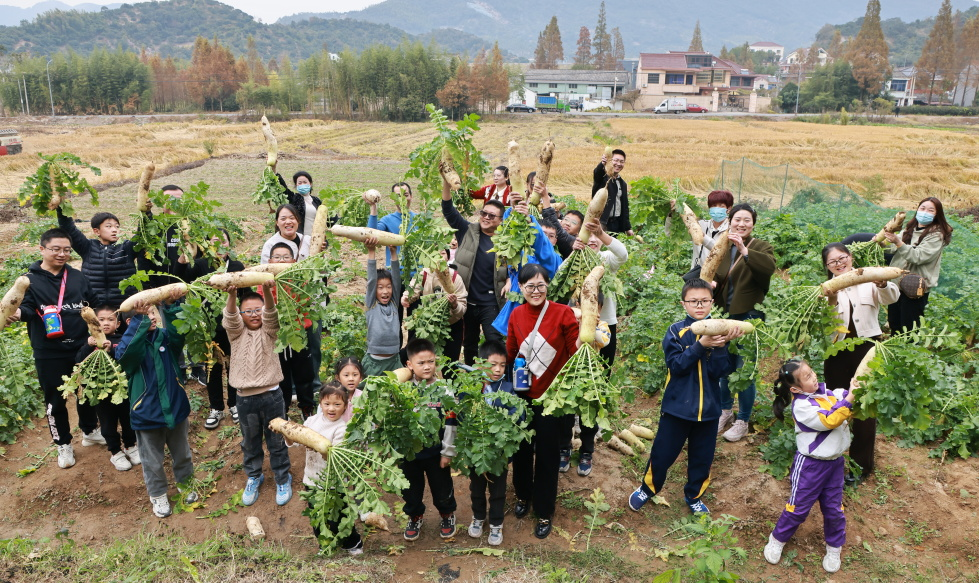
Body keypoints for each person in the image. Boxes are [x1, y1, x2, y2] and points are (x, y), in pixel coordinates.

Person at [628, 278, 742, 515]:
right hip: (677, 408)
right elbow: (676, 366)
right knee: (663, 453)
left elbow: (719, 372)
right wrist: (701, 345)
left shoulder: (721, 330)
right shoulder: (675, 331)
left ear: (712, 302)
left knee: (702, 458)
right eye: (694, 301)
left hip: (709, 410)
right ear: (684, 304)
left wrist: (721, 346)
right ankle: (648, 488)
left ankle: (694, 495)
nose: (699, 306)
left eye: (704, 301)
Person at [7, 229, 103, 469]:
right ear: (42, 249)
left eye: (67, 250)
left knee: (87, 391)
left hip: (82, 346)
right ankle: (63, 443)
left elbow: (91, 302)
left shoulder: (77, 276)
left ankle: (90, 431)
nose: (62, 254)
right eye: (56, 249)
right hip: (48, 351)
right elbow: (26, 308)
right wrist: (17, 313)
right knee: (55, 400)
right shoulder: (29, 280)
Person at [763, 358, 857, 574]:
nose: (814, 377)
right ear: (795, 388)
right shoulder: (802, 406)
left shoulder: (827, 393)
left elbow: (844, 396)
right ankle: (777, 539)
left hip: (835, 464)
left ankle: (834, 547)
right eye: (807, 377)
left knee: (834, 510)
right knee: (798, 508)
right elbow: (830, 420)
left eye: (812, 372)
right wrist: (851, 398)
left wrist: (857, 387)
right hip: (810, 467)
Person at [507, 264, 580, 539]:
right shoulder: (516, 314)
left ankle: (544, 510)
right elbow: (512, 351)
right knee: (522, 451)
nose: (535, 291)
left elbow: (575, 349)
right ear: (521, 289)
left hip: (552, 399)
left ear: (548, 285)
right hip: (524, 395)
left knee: (548, 456)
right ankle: (523, 496)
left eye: (540, 285)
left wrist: (589, 334)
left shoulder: (562, 313)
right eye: (529, 287)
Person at [115, 292, 197, 518]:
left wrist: (170, 306)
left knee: (182, 453)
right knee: (152, 461)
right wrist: (140, 323)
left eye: (153, 313)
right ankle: (158, 494)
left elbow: (179, 333)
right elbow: (124, 355)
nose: (151, 317)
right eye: (145, 314)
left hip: (176, 408)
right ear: (132, 322)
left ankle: (186, 483)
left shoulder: (165, 338)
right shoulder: (130, 346)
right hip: (146, 415)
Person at [821, 243, 898, 483]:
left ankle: (860, 466)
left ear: (851, 258)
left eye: (842, 258)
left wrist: (882, 282)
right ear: (828, 267)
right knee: (836, 401)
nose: (839, 263)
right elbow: (825, 322)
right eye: (833, 262)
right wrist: (831, 299)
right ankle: (830, 456)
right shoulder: (825, 289)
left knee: (865, 407)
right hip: (837, 351)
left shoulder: (868, 279)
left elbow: (892, 297)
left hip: (866, 349)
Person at [560, 218, 628, 476]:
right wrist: (573, 251)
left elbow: (622, 253)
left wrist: (602, 235)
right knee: (568, 385)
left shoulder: (607, 261)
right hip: (573, 328)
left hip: (603, 329)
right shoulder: (573, 258)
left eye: (596, 236)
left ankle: (587, 448)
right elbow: (557, 284)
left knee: (595, 387)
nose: (591, 239)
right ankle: (564, 446)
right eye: (587, 233)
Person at [710, 203, 777, 443]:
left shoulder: (761, 246)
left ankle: (743, 420)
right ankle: (725, 411)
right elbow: (715, 272)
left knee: (744, 369)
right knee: (724, 367)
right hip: (723, 315)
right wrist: (710, 283)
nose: (742, 224)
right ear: (730, 221)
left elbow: (768, 269)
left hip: (748, 316)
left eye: (747, 220)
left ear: (753, 224)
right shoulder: (722, 246)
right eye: (738, 219)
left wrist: (744, 250)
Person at [223, 284, 293, 507]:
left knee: (276, 441)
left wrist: (267, 289)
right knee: (250, 442)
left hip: (272, 397)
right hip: (245, 400)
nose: (254, 315)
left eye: (258, 310)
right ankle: (254, 476)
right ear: (241, 315)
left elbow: (272, 316)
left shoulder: (270, 331)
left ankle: (283, 478)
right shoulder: (235, 333)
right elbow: (230, 317)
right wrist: (232, 295)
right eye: (248, 311)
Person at [178, 230, 244, 430]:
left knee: (234, 366)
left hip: (233, 326)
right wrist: (183, 255)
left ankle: (234, 404)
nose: (220, 245)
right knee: (213, 367)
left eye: (224, 240)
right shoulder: (201, 265)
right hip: (208, 328)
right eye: (215, 241)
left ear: (229, 244)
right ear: (208, 245)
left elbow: (247, 292)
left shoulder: (236, 266)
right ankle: (216, 407)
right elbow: (181, 278)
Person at [441, 177, 508, 365]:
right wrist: (446, 182)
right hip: (467, 301)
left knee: (494, 343)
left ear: (501, 220)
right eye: (484, 213)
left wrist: (511, 279)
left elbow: (517, 266)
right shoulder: (467, 231)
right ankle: (473, 380)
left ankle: (494, 380)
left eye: (491, 215)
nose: (486, 217)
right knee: (469, 344)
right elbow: (448, 209)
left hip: (491, 304)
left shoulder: (506, 241)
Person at [291, 382, 363, 555]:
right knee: (318, 515)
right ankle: (325, 542)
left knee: (339, 517)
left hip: (335, 481)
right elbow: (295, 441)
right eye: (327, 404)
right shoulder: (311, 421)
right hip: (312, 478)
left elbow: (334, 457)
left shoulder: (343, 429)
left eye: (337, 404)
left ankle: (352, 542)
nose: (332, 408)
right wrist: (286, 433)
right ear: (320, 404)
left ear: (345, 407)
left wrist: (318, 448)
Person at [401, 338, 458, 542]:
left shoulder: (444, 390)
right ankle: (415, 516)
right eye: (421, 363)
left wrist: (448, 452)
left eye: (431, 362)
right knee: (410, 489)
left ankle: (447, 514)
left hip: (436, 454)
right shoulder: (403, 389)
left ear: (437, 361)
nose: (427, 366)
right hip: (409, 454)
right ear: (409, 365)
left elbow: (451, 424)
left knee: (442, 488)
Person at [75, 306, 139, 471]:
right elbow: (79, 361)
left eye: (110, 320)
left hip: (122, 389)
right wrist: (89, 346)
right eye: (100, 320)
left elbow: (127, 358)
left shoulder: (122, 339)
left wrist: (112, 349)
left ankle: (131, 445)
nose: (105, 323)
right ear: (93, 324)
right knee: (107, 423)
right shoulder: (90, 341)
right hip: (101, 393)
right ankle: (115, 452)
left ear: (118, 324)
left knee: (127, 419)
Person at [466, 340, 515, 546]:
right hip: (475, 451)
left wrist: (503, 422)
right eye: (493, 364)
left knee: (498, 491)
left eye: (502, 365)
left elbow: (515, 415)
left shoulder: (509, 388)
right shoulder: (470, 387)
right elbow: (462, 415)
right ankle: (478, 517)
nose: (497, 369)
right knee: (476, 489)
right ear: (479, 364)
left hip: (499, 452)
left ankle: (496, 523)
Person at [881, 196, 953, 333]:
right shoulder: (910, 228)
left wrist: (898, 242)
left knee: (909, 328)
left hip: (914, 287)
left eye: (931, 210)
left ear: (937, 214)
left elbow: (918, 257)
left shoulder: (937, 235)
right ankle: (895, 351)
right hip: (896, 283)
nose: (925, 212)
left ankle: (909, 352)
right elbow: (892, 249)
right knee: (894, 323)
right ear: (917, 209)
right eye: (922, 208)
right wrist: (881, 243)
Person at [263, 243, 317, 419]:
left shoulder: (300, 279)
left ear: (293, 261)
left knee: (305, 373)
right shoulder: (263, 281)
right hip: (277, 338)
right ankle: (282, 409)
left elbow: (306, 302)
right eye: (277, 257)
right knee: (281, 376)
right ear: (270, 261)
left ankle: (307, 407)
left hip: (299, 333)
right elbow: (262, 305)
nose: (281, 260)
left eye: (286, 257)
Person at [56, 209, 138, 308]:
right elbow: (69, 229)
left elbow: (142, 235)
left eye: (117, 226)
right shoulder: (88, 247)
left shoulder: (126, 247)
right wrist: (61, 209)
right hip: (94, 307)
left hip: (124, 306)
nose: (114, 230)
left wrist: (146, 213)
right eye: (109, 226)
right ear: (97, 231)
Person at [401, 247, 468, 362]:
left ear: (448, 257)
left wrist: (455, 304)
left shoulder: (456, 277)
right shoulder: (425, 274)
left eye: (442, 253)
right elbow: (412, 289)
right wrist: (406, 298)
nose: (439, 257)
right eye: (435, 254)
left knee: (451, 362)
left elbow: (462, 308)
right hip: (428, 323)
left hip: (451, 324)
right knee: (411, 355)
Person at [364, 236, 403, 376]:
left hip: (394, 360)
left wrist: (393, 252)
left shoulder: (394, 303)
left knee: (396, 394)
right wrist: (371, 251)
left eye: (388, 287)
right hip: (374, 361)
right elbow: (371, 280)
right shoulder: (371, 304)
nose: (385, 291)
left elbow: (397, 278)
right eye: (380, 288)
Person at [368, 182, 417, 267]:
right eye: (398, 196)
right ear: (393, 199)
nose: (402, 199)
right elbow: (371, 234)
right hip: (395, 272)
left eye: (405, 195)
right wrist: (373, 206)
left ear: (411, 196)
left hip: (419, 273)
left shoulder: (420, 219)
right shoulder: (387, 220)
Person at [591, 149, 633, 236]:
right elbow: (597, 173)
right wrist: (602, 163)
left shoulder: (623, 183)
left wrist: (627, 228)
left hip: (616, 224)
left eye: (622, 161)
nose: (618, 164)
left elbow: (624, 207)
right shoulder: (603, 178)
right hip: (602, 223)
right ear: (610, 161)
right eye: (616, 160)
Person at [690, 190, 733, 270]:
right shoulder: (700, 225)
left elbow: (723, 252)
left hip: (720, 276)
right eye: (714, 205)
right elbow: (671, 233)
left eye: (721, 206)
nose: (717, 208)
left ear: (729, 208)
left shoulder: (732, 230)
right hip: (698, 276)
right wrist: (672, 214)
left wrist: (703, 237)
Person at [276, 170, 322, 240]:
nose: (302, 184)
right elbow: (282, 187)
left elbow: (328, 219)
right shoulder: (294, 198)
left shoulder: (316, 201)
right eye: (299, 183)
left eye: (305, 182)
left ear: (310, 184)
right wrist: (274, 168)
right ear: (296, 185)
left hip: (314, 239)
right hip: (299, 239)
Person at [334, 356, 364, 423]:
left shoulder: (364, 397)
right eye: (346, 375)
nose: (351, 379)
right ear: (338, 378)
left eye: (355, 375)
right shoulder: (332, 396)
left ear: (360, 377)